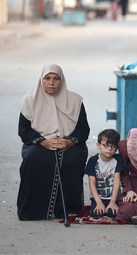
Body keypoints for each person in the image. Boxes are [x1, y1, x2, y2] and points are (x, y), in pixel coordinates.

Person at [17, 64, 90, 220]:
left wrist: (69, 142)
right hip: (40, 142)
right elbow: (24, 131)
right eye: (47, 78)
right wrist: (43, 142)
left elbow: (83, 129)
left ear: (61, 81)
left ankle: (69, 208)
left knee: (73, 159)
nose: (51, 82)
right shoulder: (29, 101)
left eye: (56, 79)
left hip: (68, 143)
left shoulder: (75, 101)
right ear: (41, 80)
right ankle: (33, 210)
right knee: (33, 158)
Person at [84, 129, 123, 218]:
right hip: (98, 197)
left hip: (112, 198)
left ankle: (112, 204)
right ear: (98, 145)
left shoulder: (117, 160)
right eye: (106, 145)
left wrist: (113, 202)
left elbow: (117, 183)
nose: (109, 149)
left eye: (113, 146)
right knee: (96, 214)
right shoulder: (93, 161)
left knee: (112, 214)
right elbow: (92, 183)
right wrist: (98, 202)